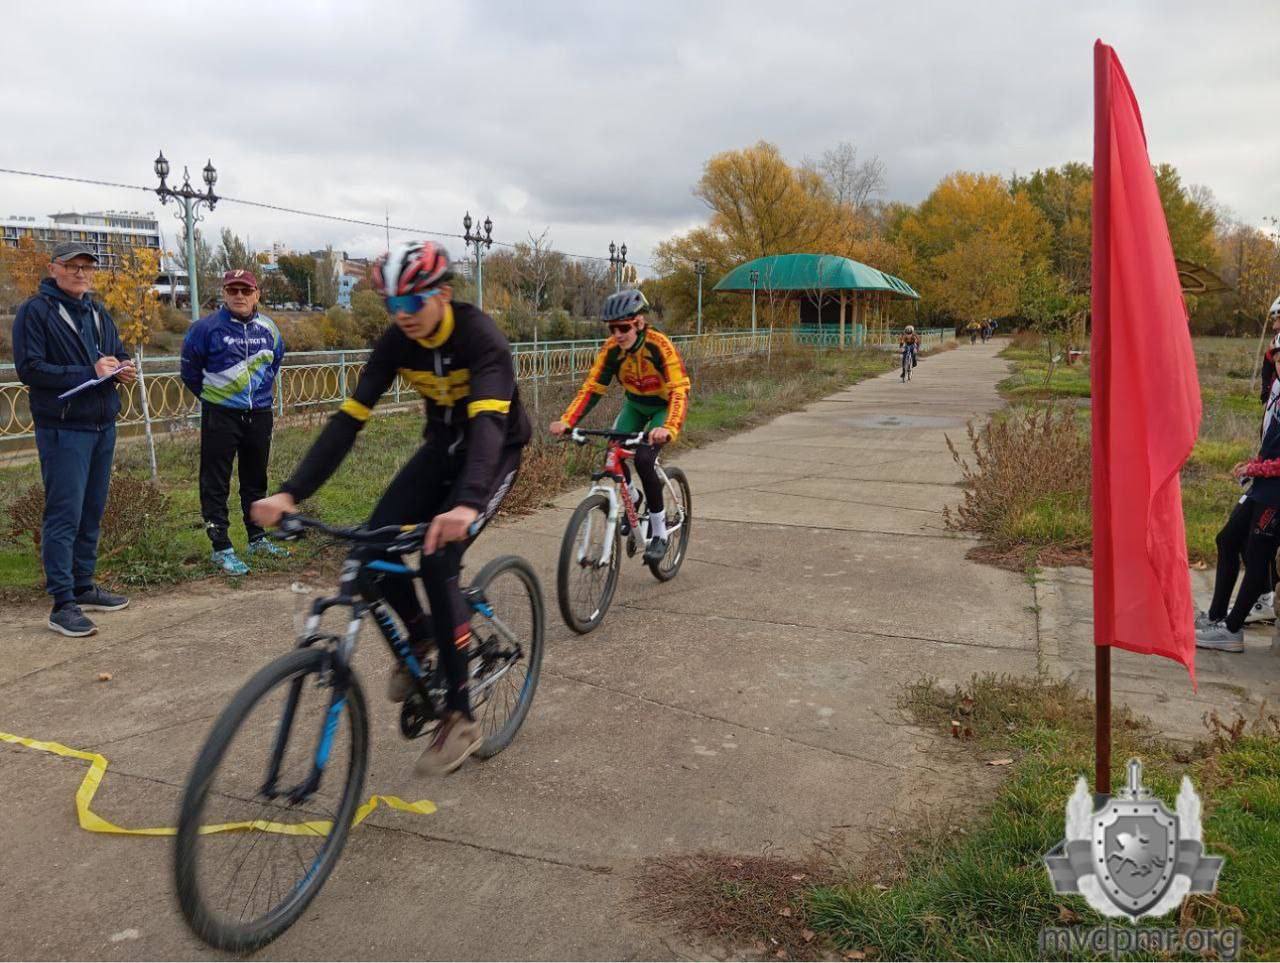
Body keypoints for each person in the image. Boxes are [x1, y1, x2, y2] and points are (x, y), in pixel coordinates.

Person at [251, 241, 530, 776]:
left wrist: (467, 505)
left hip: (493, 455)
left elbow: (490, 427)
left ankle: (462, 717)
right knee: (368, 545)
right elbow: (348, 421)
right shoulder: (396, 343)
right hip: (439, 448)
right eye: (391, 307)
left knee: (438, 557)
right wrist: (290, 493)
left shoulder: (481, 338)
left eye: (411, 305)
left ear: (443, 294)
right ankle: (424, 637)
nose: (401, 318)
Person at [12, 241, 136, 637]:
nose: (81, 272)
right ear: (53, 269)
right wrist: (89, 370)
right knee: (64, 514)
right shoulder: (35, 311)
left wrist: (121, 370)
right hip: (64, 428)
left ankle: (84, 585)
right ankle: (62, 603)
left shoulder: (99, 312)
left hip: (102, 425)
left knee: (92, 509)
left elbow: (113, 354)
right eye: (72, 266)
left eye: (87, 266)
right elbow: (30, 369)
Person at [549, 289, 690, 562]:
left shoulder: (659, 346)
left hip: (663, 407)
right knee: (612, 455)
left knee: (646, 460)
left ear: (639, 323)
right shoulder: (612, 350)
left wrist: (669, 427)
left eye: (623, 327)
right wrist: (568, 421)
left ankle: (660, 532)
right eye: (613, 328)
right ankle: (632, 498)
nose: (617, 334)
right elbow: (592, 389)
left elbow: (679, 389)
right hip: (635, 405)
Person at [181, 270, 286, 575]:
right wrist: (215, 399)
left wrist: (257, 397)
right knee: (215, 481)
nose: (239, 295)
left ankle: (257, 538)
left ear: (257, 294)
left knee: (256, 479)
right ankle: (221, 547)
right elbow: (190, 372)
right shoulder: (205, 328)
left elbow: (274, 364)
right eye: (233, 290)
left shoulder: (270, 329)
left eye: (245, 290)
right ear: (224, 293)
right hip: (220, 415)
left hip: (259, 414)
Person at [1197, 370, 1280, 652]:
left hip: (1276, 495)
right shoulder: (1277, 393)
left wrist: (1254, 468)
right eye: (1278, 358)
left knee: (1258, 556)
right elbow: (1271, 447)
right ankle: (1217, 616)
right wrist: (1253, 465)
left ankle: (1232, 629)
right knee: (1228, 539)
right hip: (1262, 487)